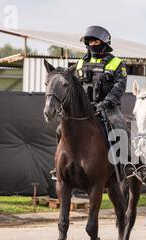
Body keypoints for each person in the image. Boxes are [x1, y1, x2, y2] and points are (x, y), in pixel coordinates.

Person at [50, 25, 128, 180]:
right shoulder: (79, 64)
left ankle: (124, 166)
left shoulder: (117, 63)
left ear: (104, 43)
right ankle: (58, 166)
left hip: (108, 109)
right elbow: (73, 87)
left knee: (120, 128)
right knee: (60, 129)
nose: (92, 44)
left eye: (95, 41)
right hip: (85, 109)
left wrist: (106, 103)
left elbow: (120, 86)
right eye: (89, 41)